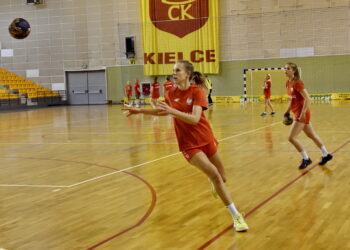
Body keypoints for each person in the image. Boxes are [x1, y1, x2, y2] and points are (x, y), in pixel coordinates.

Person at [122, 60, 249, 232]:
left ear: (187, 74)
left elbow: (195, 118)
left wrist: (172, 111)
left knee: (222, 177)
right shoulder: (170, 92)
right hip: (189, 144)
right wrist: (139, 110)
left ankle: (215, 182)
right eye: (173, 70)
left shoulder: (197, 92)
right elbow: (162, 111)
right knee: (215, 175)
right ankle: (236, 216)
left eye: (178, 70)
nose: (174, 73)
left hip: (206, 137)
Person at [284, 62, 333, 169]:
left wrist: (302, 114)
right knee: (312, 135)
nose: (285, 70)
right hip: (297, 112)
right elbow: (291, 99)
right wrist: (287, 111)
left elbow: (308, 98)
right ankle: (326, 155)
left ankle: (306, 159)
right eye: (285, 68)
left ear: (294, 71)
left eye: (288, 68)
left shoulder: (297, 83)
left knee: (291, 138)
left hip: (302, 113)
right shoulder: (288, 83)